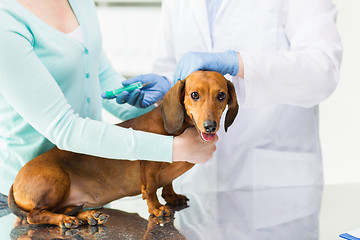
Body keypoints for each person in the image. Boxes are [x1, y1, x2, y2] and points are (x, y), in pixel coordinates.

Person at [0, 0, 218, 197]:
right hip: (31, 195)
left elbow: (101, 78)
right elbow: (64, 129)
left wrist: (171, 108)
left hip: (88, 185)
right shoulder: (6, 22)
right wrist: (173, 148)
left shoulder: (79, 3)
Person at [122, 0, 342, 191]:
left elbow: (323, 70)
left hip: (273, 185)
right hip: (192, 181)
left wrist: (237, 63)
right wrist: (169, 88)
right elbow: (170, 65)